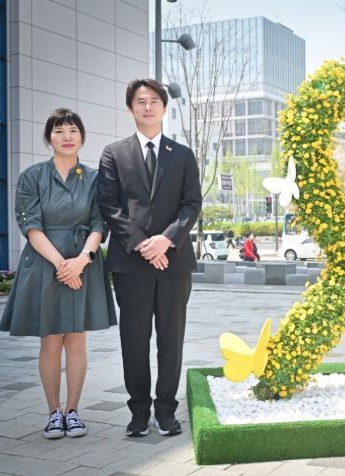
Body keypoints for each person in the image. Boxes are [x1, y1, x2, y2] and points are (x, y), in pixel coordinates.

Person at [0, 108, 117, 439]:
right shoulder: (32, 176)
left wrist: (81, 260)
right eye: (59, 131)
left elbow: (100, 223)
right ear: (48, 137)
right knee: (50, 339)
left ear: (82, 137)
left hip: (84, 263)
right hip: (43, 264)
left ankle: (73, 411)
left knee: (77, 338)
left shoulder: (95, 178)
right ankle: (53, 413)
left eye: (73, 130)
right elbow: (30, 225)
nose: (67, 137)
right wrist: (61, 264)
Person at [98, 78, 202, 437]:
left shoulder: (182, 154)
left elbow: (192, 204)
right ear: (130, 108)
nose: (147, 107)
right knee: (134, 340)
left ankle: (166, 410)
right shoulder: (114, 153)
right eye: (140, 102)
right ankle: (139, 412)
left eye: (154, 101)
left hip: (175, 263)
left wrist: (166, 240)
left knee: (171, 339)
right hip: (131, 264)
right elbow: (109, 206)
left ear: (164, 107)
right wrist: (145, 244)